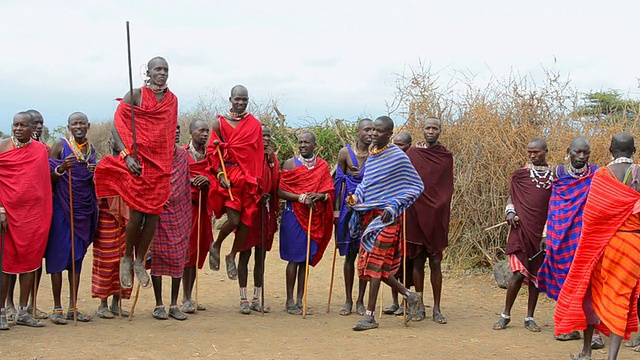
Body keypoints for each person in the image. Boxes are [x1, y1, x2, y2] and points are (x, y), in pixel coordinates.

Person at [94, 56, 178, 289]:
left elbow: (167, 134)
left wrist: (166, 161)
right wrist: (126, 155)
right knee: (137, 215)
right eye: (157, 69)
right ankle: (126, 258)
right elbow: (117, 125)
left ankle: (140, 260)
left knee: (154, 215)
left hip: (160, 165)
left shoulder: (172, 100)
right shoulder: (136, 95)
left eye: (165, 69)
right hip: (138, 163)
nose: (162, 73)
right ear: (148, 72)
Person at [555, 133, 640, 360]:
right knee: (621, 297)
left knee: (591, 294)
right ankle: (611, 356)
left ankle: (586, 352)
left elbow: (592, 218)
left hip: (604, 245)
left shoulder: (603, 176)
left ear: (611, 149)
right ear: (634, 150)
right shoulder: (639, 174)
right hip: (634, 246)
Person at [348, 116, 424, 331]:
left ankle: (370, 316)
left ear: (389, 134)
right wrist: (356, 197)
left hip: (388, 218)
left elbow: (415, 186)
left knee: (375, 264)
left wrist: (394, 206)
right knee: (370, 265)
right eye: (371, 130)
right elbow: (367, 184)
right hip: (370, 216)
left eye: (379, 131)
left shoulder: (397, 156)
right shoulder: (373, 155)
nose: (373, 134)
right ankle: (409, 295)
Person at [537, 137, 603, 346]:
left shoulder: (597, 173)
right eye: (578, 152)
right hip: (560, 236)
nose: (582, 157)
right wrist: (546, 234)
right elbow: (549, 204)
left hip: (588, 238)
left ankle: (594, 332)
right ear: (569, 151)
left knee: (589, 282)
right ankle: (569, 325)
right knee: (565, 280)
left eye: (586, 153)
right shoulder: (558, 174)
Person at [493, 138, 552, 332]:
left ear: (545, 151)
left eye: (537, 152)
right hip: (521, 229)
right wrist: (509, 212)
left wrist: (547, 233)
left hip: (542, 233)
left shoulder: (555, 177)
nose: (533, 155)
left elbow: (555, 205)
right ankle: (505, 315)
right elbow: (512, 197)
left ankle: (530, 317)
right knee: (518, 273)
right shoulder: (520, 175)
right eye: (530, 152)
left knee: (536, 276)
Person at [0, 111, 52, 329]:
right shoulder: (2, 147)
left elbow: (42, 184)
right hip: (7, 215)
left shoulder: (40, 150)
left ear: (33, 129)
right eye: (15, 125)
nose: (18, 129)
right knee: (5, 263)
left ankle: (23, 311)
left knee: (31, 263)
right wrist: (0, 209)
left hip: (34, 216)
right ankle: (2, 311)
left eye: (23, 125)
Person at [45, 112, 98, 324]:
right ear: (68, 127)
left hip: (82, 211)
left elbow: (91, 182)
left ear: (88, 126)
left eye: (82, 123)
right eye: (74, 123)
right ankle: (57, 307)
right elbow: (47, 177)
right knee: (58, 256)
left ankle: (72, 306)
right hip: (62, 209)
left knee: (76, 259)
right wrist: (61, 169)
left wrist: (95, 173)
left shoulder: (91, 150)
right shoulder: (60, 145)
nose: (78, 126)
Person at [207, 85, 264, 281]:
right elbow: (211, 153)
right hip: (228, 177)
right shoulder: (219, 124)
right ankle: (216, 244)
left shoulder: (254, 125)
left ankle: (231, 255)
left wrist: (256, 179)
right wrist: (221, 174)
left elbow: (257, 154)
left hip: (247, 178)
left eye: (244, 100)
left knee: (246, 222)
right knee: (234, 220)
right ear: (230, 99)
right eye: (237, 99)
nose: (240, 103)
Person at [279, 132, 334, 315]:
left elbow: (329, 191)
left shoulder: (322, 166)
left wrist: (321, 196)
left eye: (306, 142)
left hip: (313, 217)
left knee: (304, 259)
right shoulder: (290, 164)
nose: (303, 145)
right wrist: (301, 198)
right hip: (293, 216)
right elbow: (280, 191)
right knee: (294, 259)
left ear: (314, 145)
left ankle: (301, 300)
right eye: (300, 142)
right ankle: (289, 301)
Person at [405, 117, 454, 324]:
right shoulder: (412, 154)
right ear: (422, 130)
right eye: (428, 128)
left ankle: (437, 308)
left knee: (435, 262)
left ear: (440, 131)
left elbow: (447, 187)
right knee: (417, 261)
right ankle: (419, 306)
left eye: (435, 128)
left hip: (437, 215)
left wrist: (438, 205)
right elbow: (406, 181)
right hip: (415, 212)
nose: (431, 131)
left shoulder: (445, 156)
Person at [235, 125, 280, 314]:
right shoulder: (247, 156)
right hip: (249, 210)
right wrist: (256, 195)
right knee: (244, 254)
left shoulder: (272, 159)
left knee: (260, 256)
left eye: (269, 136)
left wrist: (270, 162)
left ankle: (256, 297)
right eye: (263, 135)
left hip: (265, 211)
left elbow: (276, 183)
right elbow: (240, 180)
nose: (267, 139)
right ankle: (243, 298)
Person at [149, 126, 191, 321]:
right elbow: (149, 179)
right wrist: (158, 197)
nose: (174, 132)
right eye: (170, 128)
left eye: (177, 129)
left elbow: (185, 184)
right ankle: (159, 304)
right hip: (158, 211)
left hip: (179, 212)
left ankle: (174, 304)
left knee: (178, 258)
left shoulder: (183, 156)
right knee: (157, 257)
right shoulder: (154, 154)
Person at [334, 118, 373, 316]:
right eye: (366, 130)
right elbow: (338, 182)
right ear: (358, 132)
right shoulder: (344, 153)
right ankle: (348, 300)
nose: (370, 133)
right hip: (348, 210)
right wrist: (336, 211)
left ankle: (361, 301)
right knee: (349, 255)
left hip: (369, 209)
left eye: (372, 130)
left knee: (365, 256)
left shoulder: (377, 154)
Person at [181, 119, 213, 314]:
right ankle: (184, 298)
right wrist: (192, 180)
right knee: (188, 251)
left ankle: (190, 296)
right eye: (201, 130)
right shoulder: (182, 153)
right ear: (191, 132)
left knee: (199, 249)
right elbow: (174, 177)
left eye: (207, 131)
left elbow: (219, 176)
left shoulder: (212, 155)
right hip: (186, 208)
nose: (205, 134)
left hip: (204, 207)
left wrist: (208, 180)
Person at [384, 131, 415, 316]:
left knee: (406, 260)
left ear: (409, 146)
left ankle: (407, 301)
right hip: (392, 216)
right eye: (395, 144)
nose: (398, 148)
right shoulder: (388, 162)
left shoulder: (412, 165)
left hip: (408, 216)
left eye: (402, 145)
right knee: (391, 259)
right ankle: (394, 301)